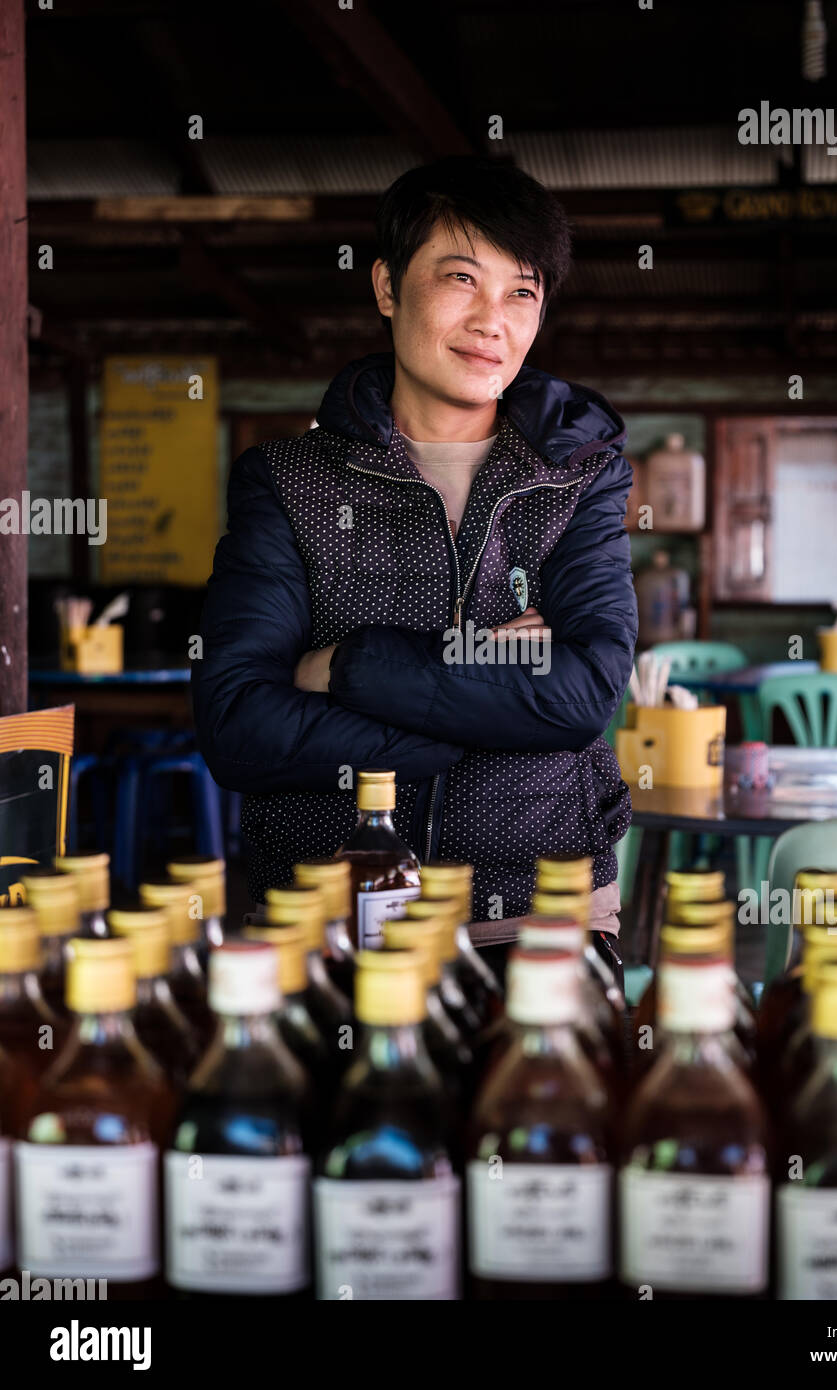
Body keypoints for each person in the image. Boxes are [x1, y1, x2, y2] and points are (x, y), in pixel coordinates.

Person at [192, 154, 638, 982]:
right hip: (326, 916)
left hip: (535, 916)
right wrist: (491, 704)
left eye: (521, 291)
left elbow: (581, 699)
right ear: (387, 287)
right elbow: (238, 728)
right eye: (460, 278)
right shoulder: (288, 481)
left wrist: (346, 665)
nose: (491, 319)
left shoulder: (580, 476)